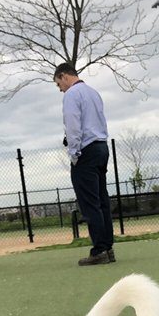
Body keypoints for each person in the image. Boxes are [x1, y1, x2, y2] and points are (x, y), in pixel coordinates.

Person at [53, 63, 115, 266]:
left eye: (58, 84)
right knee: (102, 200)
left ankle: (99, 250)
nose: (60, 89)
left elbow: (73, 125)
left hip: (86, 151)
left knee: (90, 203)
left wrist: (74, 154)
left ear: (64, 76)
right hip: (101, 147)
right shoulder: (93, 92)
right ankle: (108, 247)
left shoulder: (71, 95)